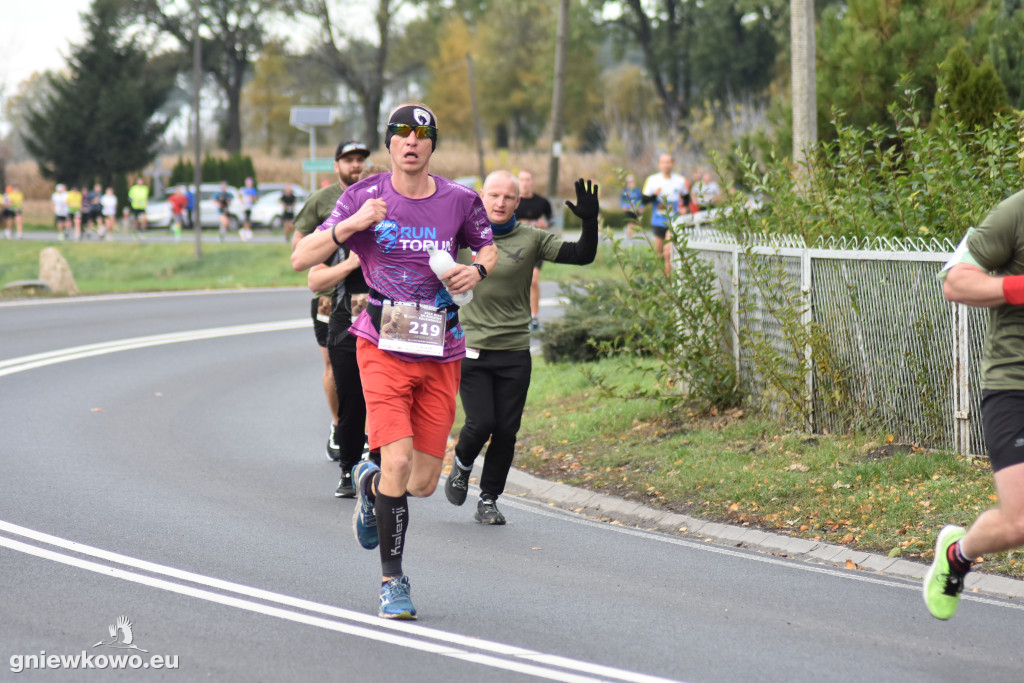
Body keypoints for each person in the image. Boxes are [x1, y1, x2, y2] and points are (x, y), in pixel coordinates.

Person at [291, 103, 497, 620]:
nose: (411, 141)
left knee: (423, 481)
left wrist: (477, 272)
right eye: (401, 133)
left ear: (431, 145)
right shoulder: (363, 196)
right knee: (398, 463)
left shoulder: (460, 200)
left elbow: (489, 249)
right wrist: (352, 225)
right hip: (380, 344)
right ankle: (393, 581)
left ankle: (367, 482)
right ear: (390, 144)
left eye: (422, 134)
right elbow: (301, 259)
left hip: (441, 349)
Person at [446, 171, 599, 525]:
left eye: (508, 198)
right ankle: (462, 463)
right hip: (472, 348)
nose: (500, 203)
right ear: (481, 197)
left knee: (506, 431)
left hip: (514, 351)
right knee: (481, 422)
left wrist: (590, 222)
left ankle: (488, 500)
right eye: (494, 195)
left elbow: (581, 255)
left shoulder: (530, 238)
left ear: (518, 202)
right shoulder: (460, 236)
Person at [926, 190, 1024, 620]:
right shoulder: (1015, 213)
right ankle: (957, 555)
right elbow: (956, 282)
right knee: (1019, 522)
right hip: (1015, 386)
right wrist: (1017, 287)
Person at [292, 140, 371, 469]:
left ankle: (362, 430)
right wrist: (334, 252)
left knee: (366, 368)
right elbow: (299, 245)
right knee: (333, 367)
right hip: (328, 297)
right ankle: (339, 425)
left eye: (360, 160)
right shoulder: (321, 200)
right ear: (336, 165)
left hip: (365, 297)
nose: (355, 166)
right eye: (349, 160)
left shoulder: (376, 196)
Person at [514, 170, 553, 331]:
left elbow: (550, 219)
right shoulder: (513, 200)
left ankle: (534, 317)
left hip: (536, 246)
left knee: (533, 280)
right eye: (522, 179)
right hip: (515, 246)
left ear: (533, 181)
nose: (525, 182)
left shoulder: (542, 202)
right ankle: (518, 315)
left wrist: (545, 224)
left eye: (528, 179)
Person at [641, 154, 689, 276]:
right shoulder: (652, 180)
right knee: (659, 254)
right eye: (663, 162)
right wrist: (654, 195)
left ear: (673, 164)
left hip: (673, 221)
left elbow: (686, 197)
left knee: (668, 253)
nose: (666, 165)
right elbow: (644, 200)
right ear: (659, 165)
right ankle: (664, 279)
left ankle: (670, 281)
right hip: (658, 221)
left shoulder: (679, 180)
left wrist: (685, 208)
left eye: (668, 162)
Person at [619, 174, 642, 239]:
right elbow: (622, 200)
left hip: (635, 209)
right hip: (628, 209)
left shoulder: (637, 191)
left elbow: (640, 199)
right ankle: (630, 236)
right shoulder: (625, 190)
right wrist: (624, 206)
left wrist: (641, 206)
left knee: (635, 223)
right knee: (630, 222)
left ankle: (631, 234)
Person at [240, 177, 258, 241]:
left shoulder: (253, 190)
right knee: (246, 219)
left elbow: (256, 198)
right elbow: (240, 197)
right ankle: (246, 231)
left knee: (248, 220)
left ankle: (245, 231)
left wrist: (252, 199)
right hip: (244, 207)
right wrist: (242, 201)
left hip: (250, 207)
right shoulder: (243, 190)